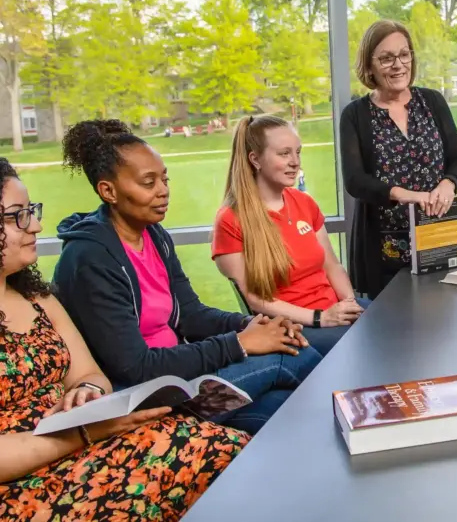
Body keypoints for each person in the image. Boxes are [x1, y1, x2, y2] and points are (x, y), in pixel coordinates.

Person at [0, 158, 249, 520]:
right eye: (17, 215)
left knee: (228, 449)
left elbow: (89, 373)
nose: (36, 225)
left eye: (31, 211)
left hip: (85, 439)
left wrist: (88, 393)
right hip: (30, 480)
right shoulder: (91, 257)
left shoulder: (37, 298)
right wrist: (84, 432)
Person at [53, 120, 321, 435]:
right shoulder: (90, 259)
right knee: (291, 356)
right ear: (108, 191)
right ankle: (367, 413)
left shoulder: (154, 235)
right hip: (150, 396)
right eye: (148, 182)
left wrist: (253, 325)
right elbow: (135, 367)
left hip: (183, 379)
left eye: (164, 178)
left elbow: (192, 315)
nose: (163, 190)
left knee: (287, 409)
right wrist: (239, 343)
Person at [213, 115, 366, 356]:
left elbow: (332, 265)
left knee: (397, 329)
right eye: (284, 154)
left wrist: (349, 303)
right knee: (371, 347)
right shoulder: (231, 221)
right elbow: (255, 300)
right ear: (255, 159)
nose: (295, 162)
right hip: (295, 324)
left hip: (333, 310)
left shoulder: (304, 202)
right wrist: (320, 318)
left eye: (298, 152)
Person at [340, 19, 457, 298]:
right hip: (382, 250)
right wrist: (408, 195)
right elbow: (355, 181)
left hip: (436, 239)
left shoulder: (432, 102)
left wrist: (448, 184)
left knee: (442, 322)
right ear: (370, 64)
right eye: (386, 58)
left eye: (404, 54)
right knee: (390, 335)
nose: (398, 64)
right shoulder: (355, 114)